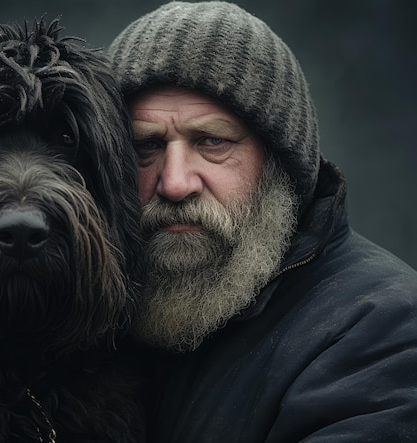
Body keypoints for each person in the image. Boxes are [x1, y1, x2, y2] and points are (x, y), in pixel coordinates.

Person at [107, 2, 417, 441]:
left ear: (279, 162)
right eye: (146, 146)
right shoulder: (93, 317)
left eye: (212, 141)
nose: (175, 183)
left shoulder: (383, 331)